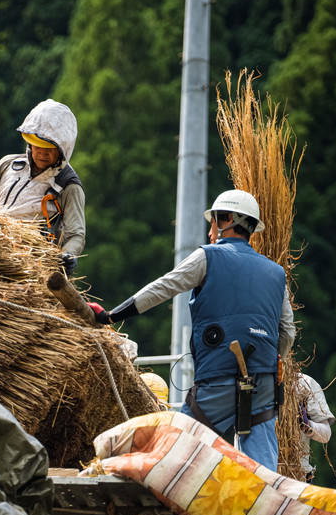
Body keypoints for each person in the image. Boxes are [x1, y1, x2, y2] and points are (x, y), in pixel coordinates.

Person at [91, 189, 296, 470]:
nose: (210, 231)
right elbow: (287, 332)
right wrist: (270, 362)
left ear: (227, 220)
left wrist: (112, 316)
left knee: (180, 453)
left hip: (218, 378)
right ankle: (269, 497)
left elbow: (163, 287)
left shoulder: (208, 257)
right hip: (263, 384)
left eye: (213, 222)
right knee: (263, 468)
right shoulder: (277, 273)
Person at [0, 99, 85, 274]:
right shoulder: (7, 165)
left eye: (49, 147)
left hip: (32, 264)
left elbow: (76, 235)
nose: (42, 153)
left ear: (62, 149)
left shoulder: (68, 185)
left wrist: (68, 255)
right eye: (38, 145)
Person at [295, 372, 334, 481]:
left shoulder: (304, 382)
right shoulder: (253, 380)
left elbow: (326, 434)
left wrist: (307, 425)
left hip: (296, 477)